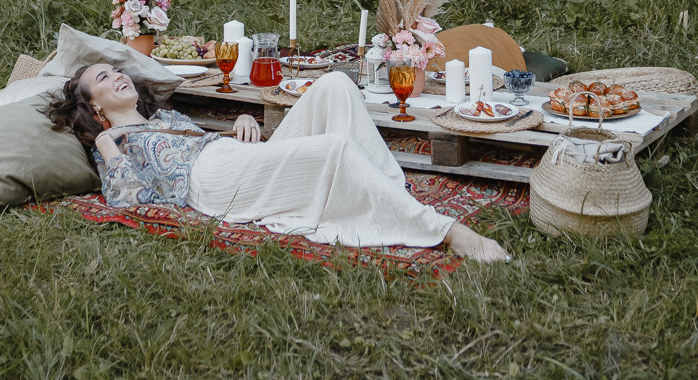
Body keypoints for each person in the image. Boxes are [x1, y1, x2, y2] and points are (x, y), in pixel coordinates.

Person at [46, 65, 510, 263]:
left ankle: (389, 193)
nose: (118, 76)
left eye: (116, 69)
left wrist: (242, 121)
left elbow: (202, 143)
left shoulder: (162, 116)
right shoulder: (112, 143)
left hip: (235, 157)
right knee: (334, 150)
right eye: (104, 78)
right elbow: (133, 203)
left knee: (333, 86)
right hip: (212, 184)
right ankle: (446, 231)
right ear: (97, 107)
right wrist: (108, 149)